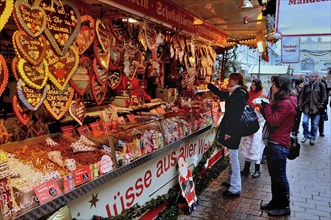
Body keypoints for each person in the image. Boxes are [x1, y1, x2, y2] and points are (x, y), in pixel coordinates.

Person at [260, 75, 297, 216]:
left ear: (281, 87)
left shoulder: (286, 103)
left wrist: (267, 106)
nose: (272, 87)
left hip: (279, 144)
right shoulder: (285, 101)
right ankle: (275, 201)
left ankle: (284, 206)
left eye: (274, 84)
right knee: (274, 175)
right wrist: (266, 108)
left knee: (279, 176)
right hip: (276, 142)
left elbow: (274, 121)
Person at [208, 72, 248, 197]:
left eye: (230, 79)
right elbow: (223, 95)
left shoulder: (239, 94)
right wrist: (210, 86)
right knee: (232, 156)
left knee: (234, 158)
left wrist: (229, 131)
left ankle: (235, 188)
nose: (228, 81)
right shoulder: (235, 92)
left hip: (234, 130)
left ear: (236, 81)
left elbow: (236, 114)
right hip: (234, 129)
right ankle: (231, 181)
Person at [240, 79, 267, 178]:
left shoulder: (263, 95)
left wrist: (262, 118)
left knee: (256, 145)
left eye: (254, 85)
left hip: (259, 122)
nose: (252, 86)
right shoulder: (249, 93)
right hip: (249, 122)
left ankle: (257, 169)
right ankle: (246, 168)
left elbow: (266, 109)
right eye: (252, 85)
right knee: (248, 144)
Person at [298, 70, 327, 145]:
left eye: (312, 76)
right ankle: (306, 135)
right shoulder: (306, 85)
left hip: (317, 108)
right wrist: (300, 105)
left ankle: (312, 138)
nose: (311, 78)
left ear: (317, 77)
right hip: (307, 107)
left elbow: (324, 96)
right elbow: (302, 96)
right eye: (310, 76)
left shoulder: (321, 85)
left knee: (314, 125)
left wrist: (321, 105)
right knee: (305, 122)